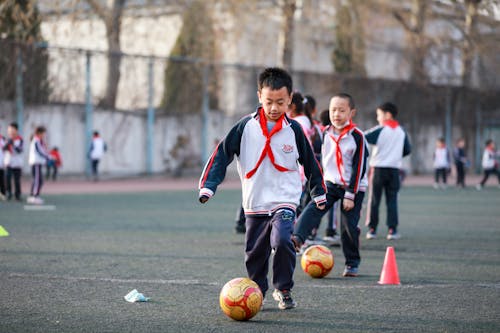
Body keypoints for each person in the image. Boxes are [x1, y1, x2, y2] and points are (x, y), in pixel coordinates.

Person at [198, 67, 326, 310]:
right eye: (269, 102)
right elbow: (221, 155)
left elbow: (310, 163)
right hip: (255, 203)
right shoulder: (245, 126)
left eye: (280, 102)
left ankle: (284, 288)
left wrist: (318, 191)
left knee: (283, 240)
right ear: (259, 96)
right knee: (255, 255)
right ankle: (256, 291)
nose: (274, 108)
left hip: (285, 199)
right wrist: (209, 186)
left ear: (290, 99)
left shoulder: (295, 130)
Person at [293, 93, 368, 277]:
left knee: (348, 226)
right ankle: (296, 239)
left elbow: (360, 168)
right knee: (312, 208)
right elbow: (319, 159)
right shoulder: (325, 132)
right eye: (334, 110)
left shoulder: (357, 136)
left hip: (353, 188)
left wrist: (351, 194)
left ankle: (352, 263)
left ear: (351, 113)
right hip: (330, 184)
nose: (337, 114)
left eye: (342, 110)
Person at [365, 102, 411, 240]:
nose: (378, 118)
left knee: (374, 200)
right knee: (392, 200)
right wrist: (395, 155)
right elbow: (408, 150)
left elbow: (362, 137)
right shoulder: (402, 131)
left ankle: (372, 229)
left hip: (378, 169)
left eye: (379, 115)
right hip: (394, 170)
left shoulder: (380, 129)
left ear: (388, 115)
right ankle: (392, 230)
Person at [27, 126, 53, 205]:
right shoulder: (36, 140)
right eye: (43, 133)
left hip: (37, 163)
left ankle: (32, 196)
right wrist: (49, 157)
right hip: (36, 163)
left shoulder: (38, 140)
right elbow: (40, 151)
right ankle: (35, 196)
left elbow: (42, 150)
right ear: (39, 133)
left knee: (37, 180)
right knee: (38, 180)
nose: (44, 135)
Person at [3, 122, 24, 201]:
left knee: (17, 180)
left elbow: (19, 150)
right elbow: (4, 149)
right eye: (9, 130)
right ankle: (8, 193)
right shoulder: (8, 139)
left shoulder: (20, 139)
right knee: (7, 179)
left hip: (17, 164)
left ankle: (17, 194)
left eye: (12, 129)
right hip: (8, 163)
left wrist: (12, 145)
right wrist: (7, 144)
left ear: (16, 130)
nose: (10, 131)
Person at [0, 128, 6, 200]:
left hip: (1, 163)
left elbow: (5, 149)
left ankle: (3, 194)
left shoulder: (2, 138)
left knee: (2, 180)